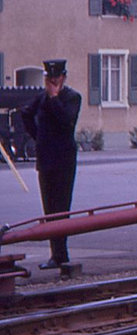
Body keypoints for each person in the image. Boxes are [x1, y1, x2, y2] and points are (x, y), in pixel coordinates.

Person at [20, 59, 82, 269]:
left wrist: (55, 98)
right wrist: (38, 137)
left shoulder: (72, 98)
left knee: (62, 208)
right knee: (49, 209)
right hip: (46, 159)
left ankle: (61, 254)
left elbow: (67, 121)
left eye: (56, 78)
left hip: (64, 160)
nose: (52, 82)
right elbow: (26, 113)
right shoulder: (41, 99)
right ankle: (55, 254)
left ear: (63, 78)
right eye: (49, 78)